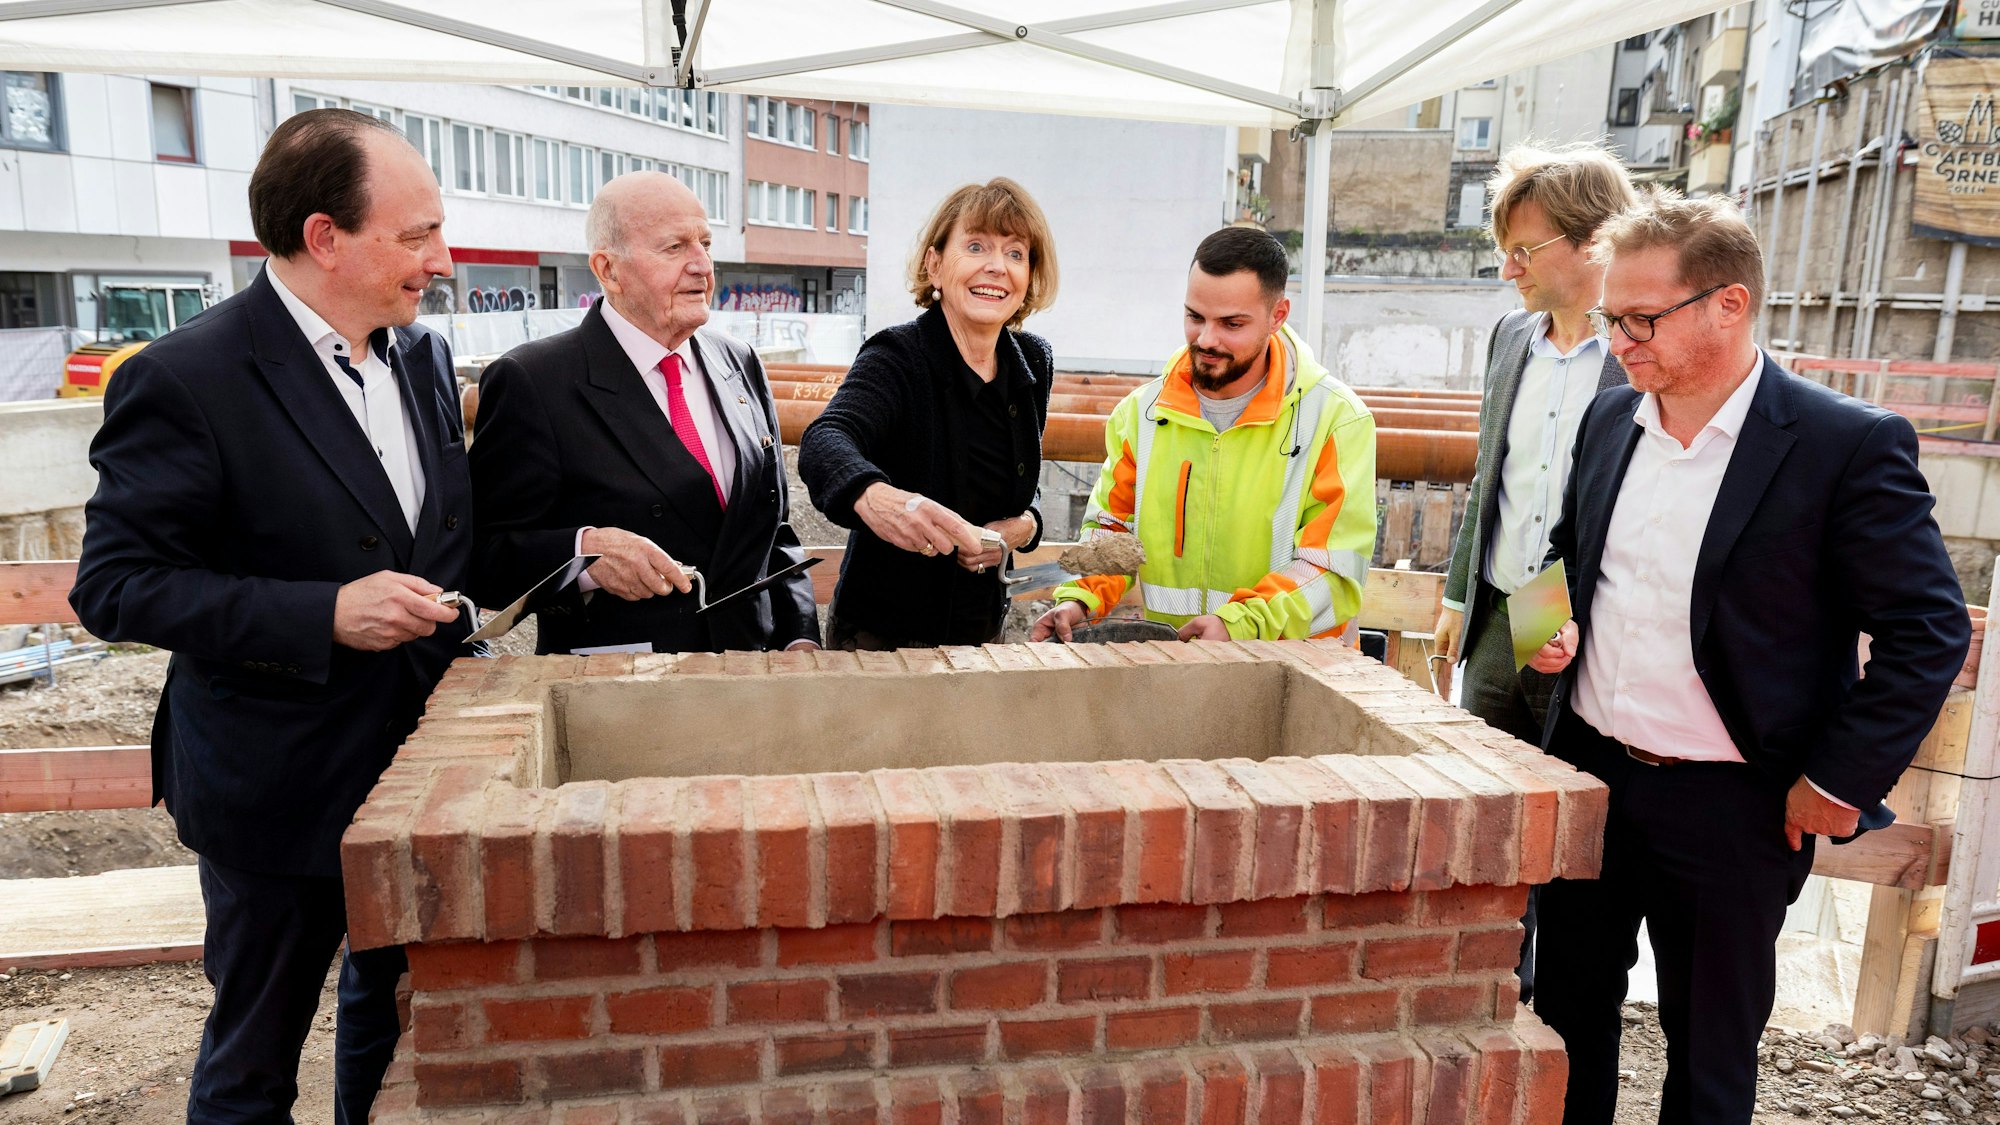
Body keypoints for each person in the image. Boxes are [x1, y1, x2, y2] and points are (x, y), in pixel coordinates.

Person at [1524, 191, 1970, 1125]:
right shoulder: (1612, 420)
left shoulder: (1845, 445)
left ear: (1729, 305)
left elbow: (1927, 629)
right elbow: (1570, 552)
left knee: (1708, 1050)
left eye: (1641, 318)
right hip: (1591, 772)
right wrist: (1547, 632)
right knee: (1566, 1018)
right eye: (1613, 317)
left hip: (1735, 804)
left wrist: (1837, 781)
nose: (1619, 341)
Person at [69, 108, 469, 1124]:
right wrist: (322, 613)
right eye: (417, 234)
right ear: (325, 236)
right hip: (275, 785)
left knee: (387, 1036)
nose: (443, 258)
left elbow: (440, 539)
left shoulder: (422, 359)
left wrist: (573, 550)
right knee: (254, 1060)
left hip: (416, 776)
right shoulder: (185, 376)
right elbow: (115, 586)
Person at [1432, 142, 1636, 1005]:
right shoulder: (1512, 335)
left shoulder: (1637, 349)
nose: (1508, 268)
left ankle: (1549, 1008)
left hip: (1581, 617)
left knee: (1564, 828)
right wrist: (1454, 591)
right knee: (1485, 816)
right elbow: (1491, 470)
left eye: (1526, 249)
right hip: (1498, 606)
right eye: (1504, 250)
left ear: (1592, 242)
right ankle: (1485, 992)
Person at [469, 171, 819, 654]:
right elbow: (484, 557)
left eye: (705, 243)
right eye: (674, 248)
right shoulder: (534, 379)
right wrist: (585, 554)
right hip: (622, 694)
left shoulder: (739, 361)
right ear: (608, 270)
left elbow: (771, 527)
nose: (701, 265)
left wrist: (800, 636)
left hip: (752, 676)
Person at [1032, 226, 1375, 643]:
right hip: (1182, 673)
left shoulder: (1336, 421)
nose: (1207, 339)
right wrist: (1080, 600)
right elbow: (1112, 533)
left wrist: (1238, 625)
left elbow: (1330, 571)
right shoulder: (1141, 414)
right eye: (1195, 317)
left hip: (1296, 679)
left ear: (1278, 315)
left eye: (1232, 323)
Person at [798, 177, 1059, 648]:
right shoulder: (896, 356)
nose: (997, 267)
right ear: (934, 264)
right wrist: (879, 499)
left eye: (1016, 253)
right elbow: (827, 439)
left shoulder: (1032, 361)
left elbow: (1024, 481)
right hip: (883, 642)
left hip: (982, 633)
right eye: (976, 246)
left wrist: (1027, 526)